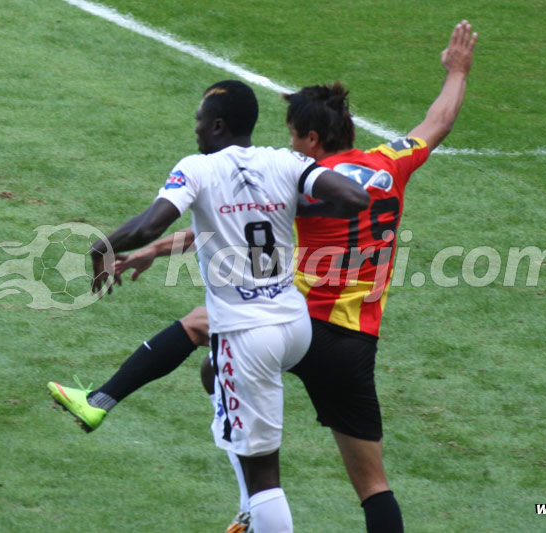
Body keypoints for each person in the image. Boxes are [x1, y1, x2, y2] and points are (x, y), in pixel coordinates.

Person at [49, 20, 477, 533]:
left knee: (207, 332)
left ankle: (112, 407)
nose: (290, 143)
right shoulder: (389, 164)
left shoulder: (302, 180)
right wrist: (457, 71)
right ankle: (236, 493)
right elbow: (440, 119)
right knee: (373, 485)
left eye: (295, 136)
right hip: (356, 344)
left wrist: (152, 249)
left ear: (313, 138)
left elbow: (235, 221)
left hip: (294, 319)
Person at [49, 79, 369, 533]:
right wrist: (299, 211)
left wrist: (101, 248)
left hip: (249, 334)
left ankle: (253, 512)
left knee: (265, 478)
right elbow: (355, 199)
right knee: (213, 375)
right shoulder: (285, 160)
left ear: (217, 125)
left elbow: (147, 225)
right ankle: (245, 514)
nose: (195, 128)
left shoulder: (197, 169)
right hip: (295, 325)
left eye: (199, 120)